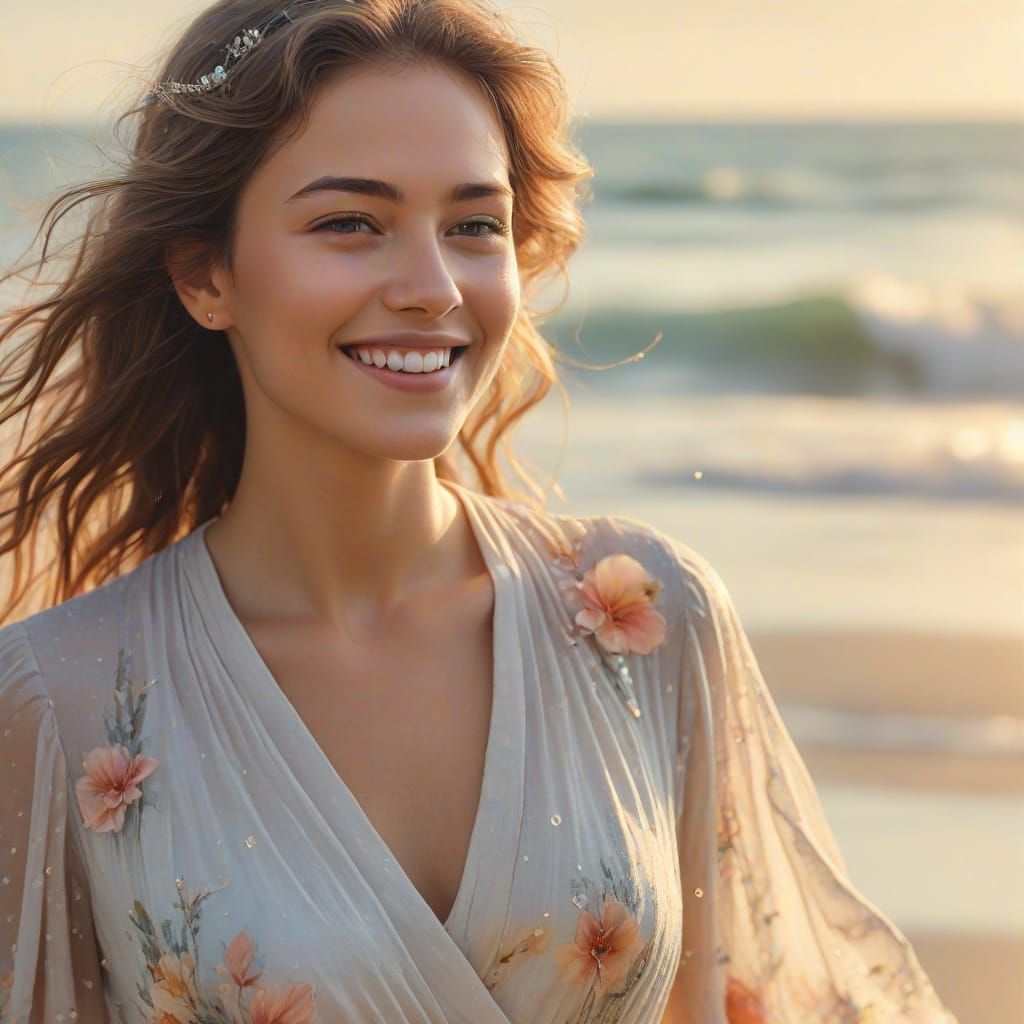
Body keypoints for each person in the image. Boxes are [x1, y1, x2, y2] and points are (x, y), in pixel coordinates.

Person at [0, 1, 960, 1021]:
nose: (432, 286)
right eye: (349, 223)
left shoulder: (644, 621)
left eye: (473, 226)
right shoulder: (58, 702)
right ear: (205, 275)